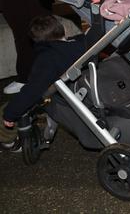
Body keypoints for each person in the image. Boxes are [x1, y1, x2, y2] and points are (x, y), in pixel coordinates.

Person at [0, 15, 85, 149]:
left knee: (9, 108)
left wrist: (10, 114)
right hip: (85, 88)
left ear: (36, 41)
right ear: (63, 29)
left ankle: (10, 143)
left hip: (63, 99)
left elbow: (32, 91)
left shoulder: (47, 59)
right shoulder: (82, 43)